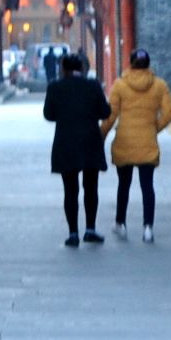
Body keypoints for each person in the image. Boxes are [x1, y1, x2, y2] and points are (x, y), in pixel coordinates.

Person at [103, 49, 171, 243]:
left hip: (124, 141)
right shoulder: (159, 85)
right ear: (148, 64)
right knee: (147, 186)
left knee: (123, 186)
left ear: (130, 63)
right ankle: (148, 228)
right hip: (147, 142)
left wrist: (101, 135)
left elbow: (111, 116)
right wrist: (154, 128)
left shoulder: (119, 85)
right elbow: (169, 113)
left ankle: (121, 224)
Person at [44, 48, 110, 247]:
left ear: (62, 68)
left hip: (66, 143)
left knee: (70, 190)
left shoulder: (55, 87)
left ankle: (73, 233)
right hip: (90, 141)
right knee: (91, 188)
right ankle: (90, 229)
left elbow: (49, 114)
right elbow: (105, 112)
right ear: (82, 67)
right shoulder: (92, 85)